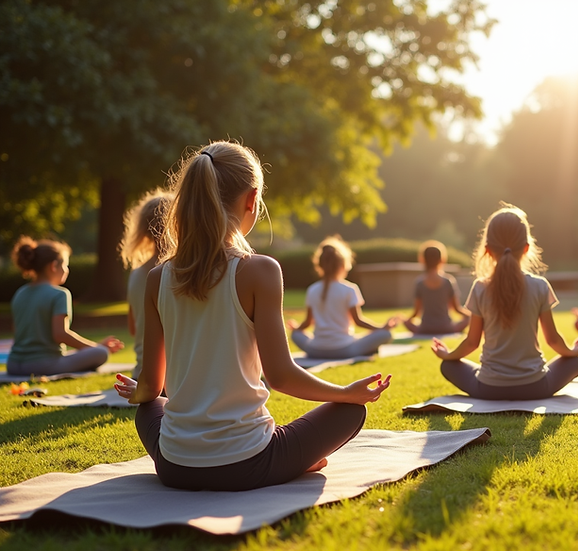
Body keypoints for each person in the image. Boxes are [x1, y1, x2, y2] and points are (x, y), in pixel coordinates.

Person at [113, 141, 391, 492]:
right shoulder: (260, 271)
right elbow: (282, 376)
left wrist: (139, 394)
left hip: (174, 467)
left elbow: (152, 387)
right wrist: (345, 392)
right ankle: (294, 462)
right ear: (252, 198)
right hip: (248, 464)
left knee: (150, 408)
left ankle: (286, 459)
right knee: (351, 411)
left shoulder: (157, 278)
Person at [431, 204, 578, 400]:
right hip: (536, 387)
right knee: (574, 363)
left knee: (448, 366)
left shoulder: (480, 287)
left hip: (488, 388)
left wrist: (447, 355)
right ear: (527, 248)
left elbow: (472, 342)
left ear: (487, 250)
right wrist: (572, 351)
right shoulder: (540, 285)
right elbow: (553, 339)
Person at [7, 237, 124, 376]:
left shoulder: (20, 293)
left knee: (91, 351)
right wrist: (96, 347)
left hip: (13, 364)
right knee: (101, 352)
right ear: (54, 266)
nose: (67, 270)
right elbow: (60, 334)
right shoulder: (60, 294)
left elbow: (17, 330)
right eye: (65, 265)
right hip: (43, 366)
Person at [289, 235, 397, 359]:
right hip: (344, 350)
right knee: (386, 334)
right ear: (343, 265)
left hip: (315, 350)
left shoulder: (312, 289)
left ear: (320, 265)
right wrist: (382, 327)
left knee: (295, 334)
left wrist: (296, 328)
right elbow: (358, 321)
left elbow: (307, 323)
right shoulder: (349, 289)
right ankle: (368, 348)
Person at [119, 189, 174, 380]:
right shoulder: (180, 271)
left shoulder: (136, 274)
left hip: (141, 374)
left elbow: (134, 328)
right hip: (174, 378)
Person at [402, 240, 470, 335]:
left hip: (425, 329)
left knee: (404, 321)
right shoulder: (448, 281)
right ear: (442, 260)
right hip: (447, 328)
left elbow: (416, 313)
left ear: (423, 260)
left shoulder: (420, 283)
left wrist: (405, 320)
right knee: (469, 319)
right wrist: (471, 316)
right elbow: (457, 309)